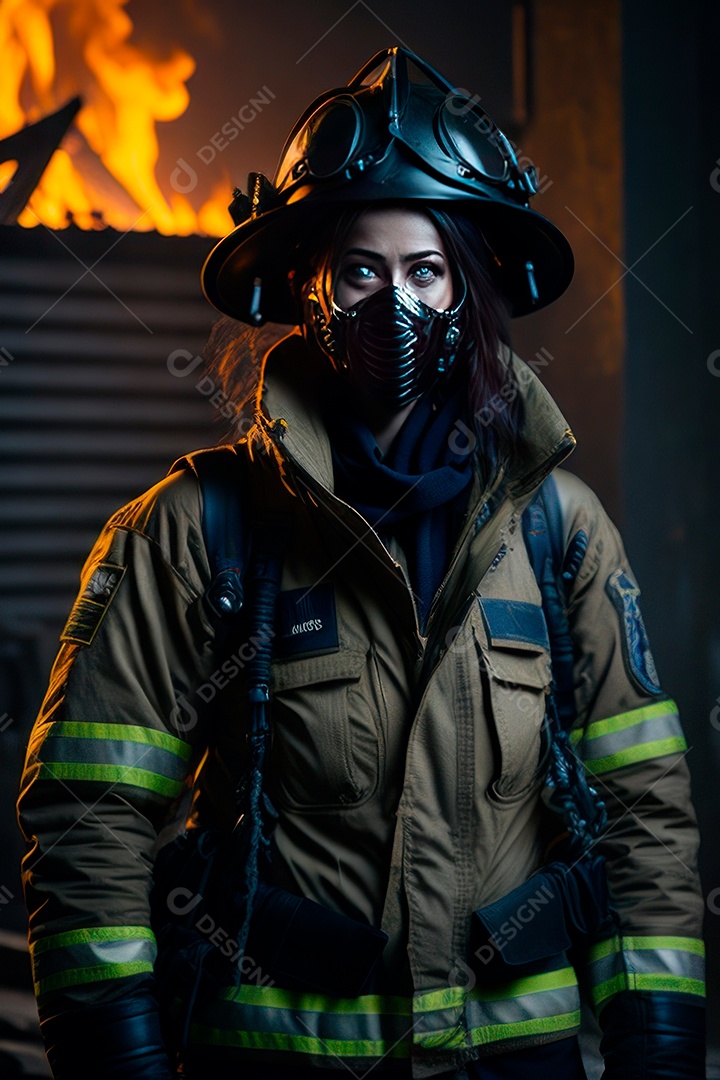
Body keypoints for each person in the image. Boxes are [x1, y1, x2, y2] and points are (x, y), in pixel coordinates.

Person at [17, 46, 705, 1080]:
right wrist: (115, 1057)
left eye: (427, 272)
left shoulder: (558, 531)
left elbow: (644, 815)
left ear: (469, 292)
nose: (395, 306)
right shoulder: (196, 528)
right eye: (362, 271)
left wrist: (657, 1051)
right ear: (308, 289)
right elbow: (90, 816)